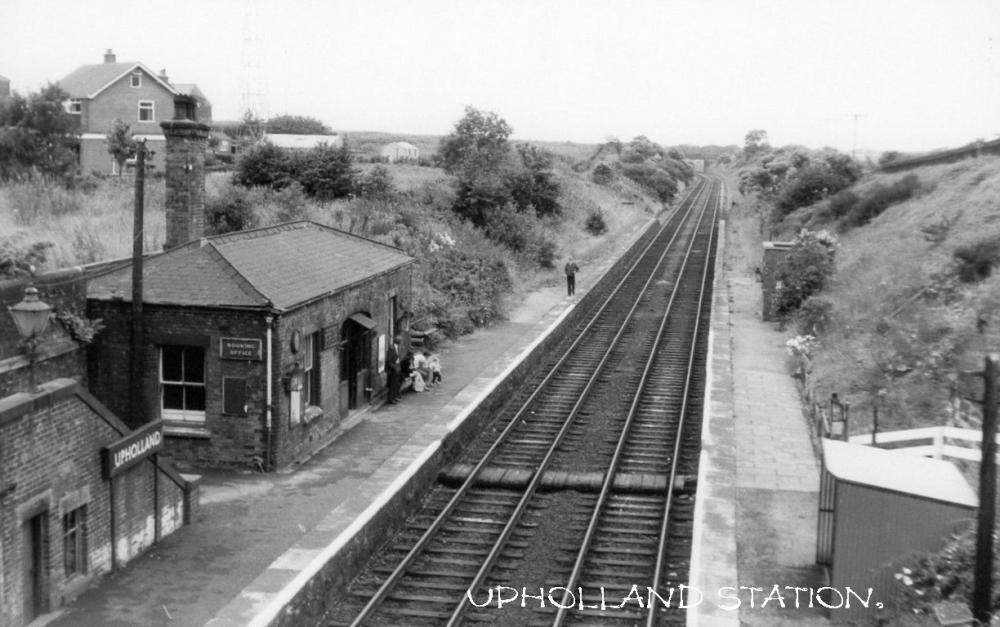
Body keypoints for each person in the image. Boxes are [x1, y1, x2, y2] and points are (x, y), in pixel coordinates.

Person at [386, 335, 402, 404]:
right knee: (392, 385)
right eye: (400, 341)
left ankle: (395, 397)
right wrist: (394, 367)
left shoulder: (397, 347)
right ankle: (391, 399)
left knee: (396, 384)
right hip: (392, 370)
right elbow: (388, 361)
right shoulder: (391, 348)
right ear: (398, 341)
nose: (401, 342)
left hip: (397, 369)